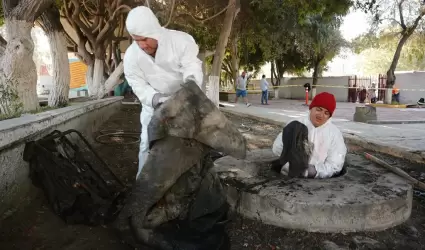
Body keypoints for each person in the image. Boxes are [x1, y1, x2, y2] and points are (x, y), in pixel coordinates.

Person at [123, 6, 203, 179]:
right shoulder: (131, 56)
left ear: (154, 31)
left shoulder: (181, 41)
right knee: (147, 145)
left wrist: (190, 87)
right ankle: (143, 188)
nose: (142, 45)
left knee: (187, 144)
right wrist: (157, 99)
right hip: (153, 106)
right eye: (137, 40)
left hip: (184, 103)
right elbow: (137, 84)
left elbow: (192, 65)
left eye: (145, 39)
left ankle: (185, 183)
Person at [271, 92, 347, 178]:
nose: (321, 115)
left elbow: (335, 164)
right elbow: (276, 148)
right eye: (319, 109)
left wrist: (314, 171)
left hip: (317, 183)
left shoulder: (334, 134)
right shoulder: (295, 125)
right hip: (288, 177)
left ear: (329, 116)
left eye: (326, 113)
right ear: (311, 108)